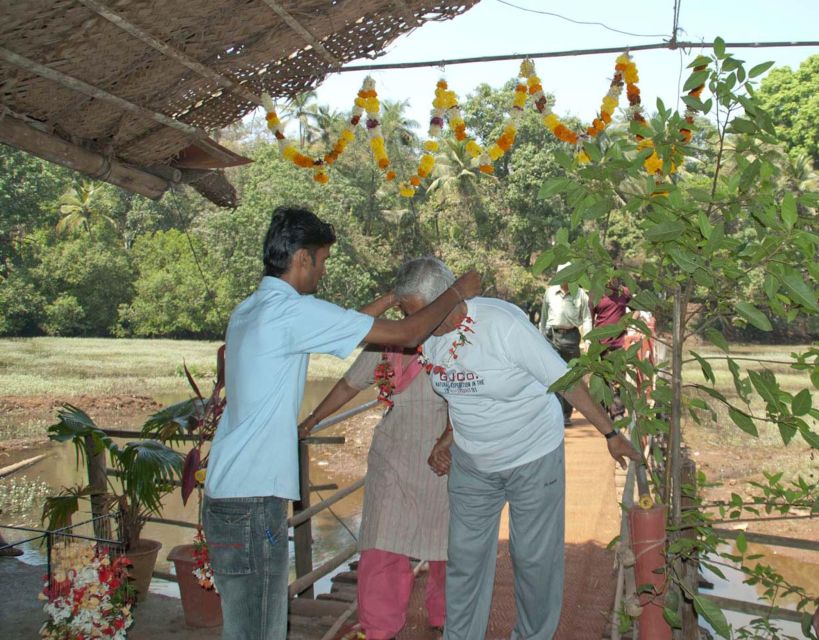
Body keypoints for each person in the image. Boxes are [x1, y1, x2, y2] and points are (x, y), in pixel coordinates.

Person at [202, 208, 480, 640]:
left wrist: (394, 296)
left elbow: (348, 322)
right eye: (324, 260)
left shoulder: (253, 309)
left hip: (226, 493)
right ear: (303, 259)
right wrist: (456, 292)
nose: (325, 270)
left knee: (244, 624)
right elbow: (407, 335)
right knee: (260, 629)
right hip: (254, 503)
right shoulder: (288, 315)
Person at [396, 257, 640, 640]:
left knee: (533, 561)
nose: (416, 325)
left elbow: (567, 381)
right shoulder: (427, 337)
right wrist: (449, 435)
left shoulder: (503, 325)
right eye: (409, 315)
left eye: (419, 313)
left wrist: (610, 434)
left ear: (446, 297)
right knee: (465, 562)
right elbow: (458, 390)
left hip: (532, 456)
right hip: (473, 464)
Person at [300, 339, 449, 639]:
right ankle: (379, 628)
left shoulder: (450, 343)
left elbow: (470, 399)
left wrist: (450, 440)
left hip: (439, 457)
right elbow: (348, 384)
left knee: (444, 546)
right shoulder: (386, 342)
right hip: (389, 456)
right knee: (381, 542)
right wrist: (312, 421)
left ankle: (447, 615)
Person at [538, 262, 593, 425]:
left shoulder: (581, 294)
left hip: (571, 337)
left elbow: (587, 318)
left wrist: (588, 339)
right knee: (554, 376)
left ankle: (566, 414)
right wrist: (541, 338)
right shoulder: (550, 293)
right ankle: (557, 413)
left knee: (570, 377)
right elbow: (543, 316)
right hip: (552, 336)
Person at [591, 277, 633, 418]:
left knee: (618, 377)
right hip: (601, 344)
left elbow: (637, 308)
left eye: (614, 276)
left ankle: (618, 412)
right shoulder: (596, 294)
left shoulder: (624, 293)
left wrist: (629, 321)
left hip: (619, 343)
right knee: (602, 377)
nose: (611, 280)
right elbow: (589, 319)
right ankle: (604, 411)